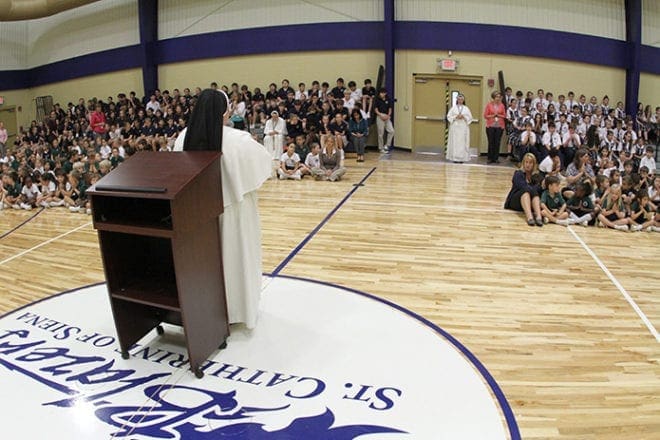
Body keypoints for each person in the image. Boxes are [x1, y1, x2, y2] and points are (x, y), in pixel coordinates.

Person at [173, 89, 272, 330]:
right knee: (236, 260)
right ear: (224, 112)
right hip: (235, 215)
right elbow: (264, 165)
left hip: (198, 215)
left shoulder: (182, 137)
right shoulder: (239, 140)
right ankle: (238, 312)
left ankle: (206, 313)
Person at [504, 153, 544, 226]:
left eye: (530, 163)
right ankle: (529, 217)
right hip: (516, 200)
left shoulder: (537, 176)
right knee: (526, 192)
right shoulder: (518, 174)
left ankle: (538, 217)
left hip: (531, 200)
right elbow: (522, 186)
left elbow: (540, 189)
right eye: (526, 162)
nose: (528, 165)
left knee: (535, 194)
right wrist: (535, 188)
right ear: (523, 163)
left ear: (534, 164)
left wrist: (537, 187)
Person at [446, 94, 473, 163]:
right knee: (455, 142)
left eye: (461, 99)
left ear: (463, 100)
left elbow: (470, 118)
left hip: (463, 127)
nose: (460, 101)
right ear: (457, 100)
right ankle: (454, 158)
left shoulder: (466, 108)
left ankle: (462, 158)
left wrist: (464, 117)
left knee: (463, 142)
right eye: (459, 99)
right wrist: (456, 117)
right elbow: (449, 116)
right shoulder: (453, 108)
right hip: (455, 127)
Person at [484, 91, 506, 163]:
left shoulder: (502, 105)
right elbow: (485, 115)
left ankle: (496, 158)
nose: (498, 98)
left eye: (499, 97)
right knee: (491, 142)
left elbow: (504, 115)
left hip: (499, 126)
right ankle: (490, 158)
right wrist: (493, 115)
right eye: (496, 97)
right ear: (493, 97)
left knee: (497, 142)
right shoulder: (489, 105)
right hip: (490, 125)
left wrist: (498, 115)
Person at [374, 88, 394, 153]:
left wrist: (388, 116)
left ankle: (387, 145)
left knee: (391, 131)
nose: (381, 94)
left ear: (385, 93)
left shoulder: (388, 99)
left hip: (387, 116)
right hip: (380, 116)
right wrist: (380, 115)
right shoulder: (377, 100)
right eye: (380, 93)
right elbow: (376, 110)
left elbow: (390, 109)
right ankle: (381, 148)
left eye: (383, 93)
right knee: (380, 133)